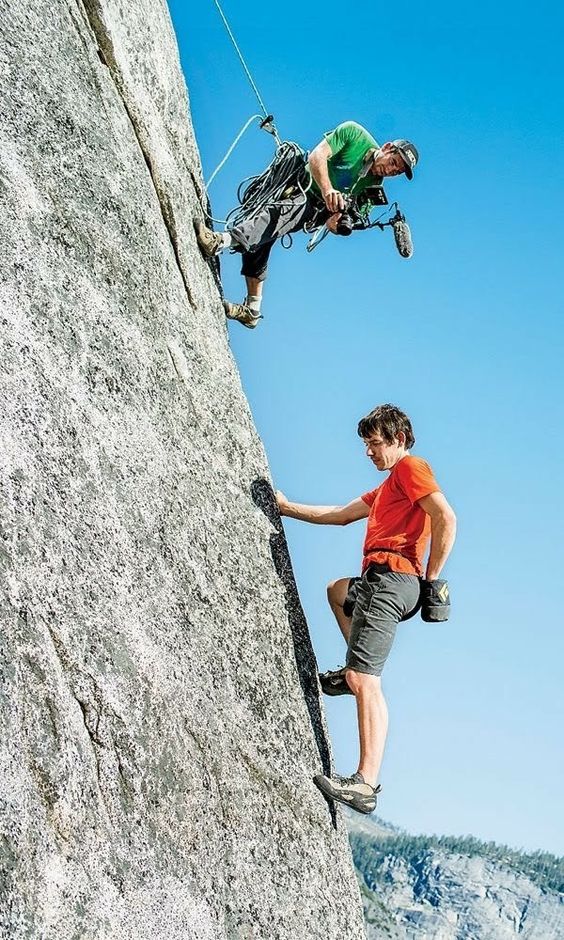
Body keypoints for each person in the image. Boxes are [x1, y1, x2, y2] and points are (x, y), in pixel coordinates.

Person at [276, 403, 456, 815]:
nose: (368, 452)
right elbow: (340, 516)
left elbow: (446, 516)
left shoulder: (412, 469)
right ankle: (352, 673)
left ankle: (365, 783)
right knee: (338, 592)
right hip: (379, 581)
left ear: (399, 441)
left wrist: (432, 579)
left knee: (366, 680)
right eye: (366, 444)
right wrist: (285, 508)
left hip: (393, 580)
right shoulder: (388, 487)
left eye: (375, 443)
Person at [194, 122, 419, 328]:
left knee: (276, 217)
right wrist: (328, 189)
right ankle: (252, 310)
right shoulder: (354, 134)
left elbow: (341, 222)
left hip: (315, 209)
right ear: (387, 147)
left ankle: (219, 242)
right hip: (303, 182)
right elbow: (317, 156)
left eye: (397, 172)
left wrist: (334, 222)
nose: (390, 171)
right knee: (265, 235)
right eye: (393, 163)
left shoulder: (373, 189)